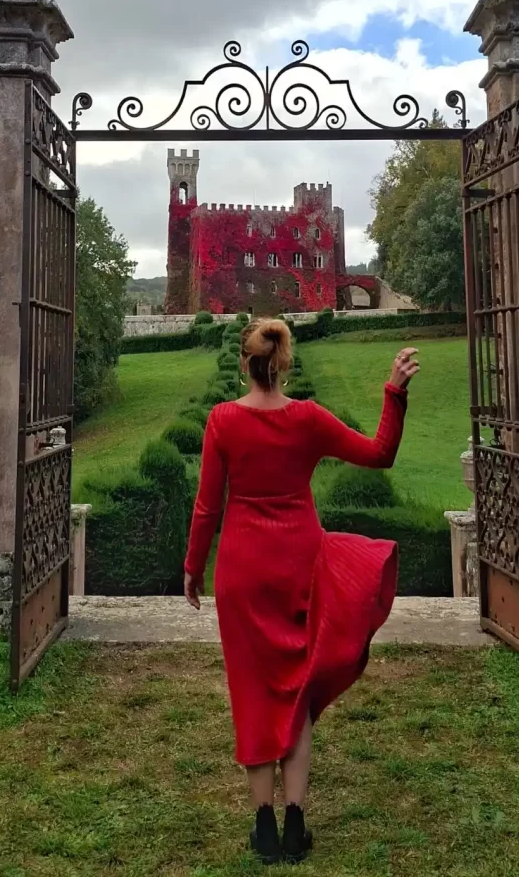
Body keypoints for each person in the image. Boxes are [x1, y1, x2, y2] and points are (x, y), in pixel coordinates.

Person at [184, 318, 418, 865]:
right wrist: (394, 390)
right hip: (300, 564)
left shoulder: (222, 420)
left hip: (242, 572)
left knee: (254, 692)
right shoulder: (308, 420)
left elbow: (207, 507)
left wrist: (193, 566)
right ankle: (295, 822)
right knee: (298, 691)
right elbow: (381, 452)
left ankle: (262, 827)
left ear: (245, 364)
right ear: (283, 364)